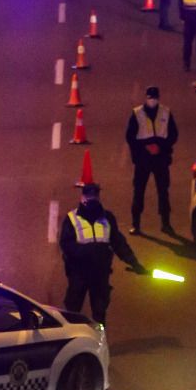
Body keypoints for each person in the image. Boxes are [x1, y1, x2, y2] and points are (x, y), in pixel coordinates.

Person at [59, 182, 145, 326]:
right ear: (82, 197)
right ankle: (74, 345)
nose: (91, 198)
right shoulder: (72, 219)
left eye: (94, 195)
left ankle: (99, 345)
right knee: (72, 313)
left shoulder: (107, 218)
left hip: (100, 275)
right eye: (88, 195)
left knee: (99, 315)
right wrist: (89, 252)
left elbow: (118, 243)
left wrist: (134, 263)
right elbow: (66, 245)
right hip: (79, 274)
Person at [125, 85, 178, 236]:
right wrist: (146, 147)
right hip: (143, 160)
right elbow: (130, 137)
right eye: (150, 98)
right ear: (146, 98)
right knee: (139, 191)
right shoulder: (137, 114)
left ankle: (166, 224)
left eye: (154, 98)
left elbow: (173, 135)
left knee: (163, 192)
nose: (152, 101)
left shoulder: (166, 113)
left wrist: (161, 147)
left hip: (160, 159)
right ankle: (136, 224)